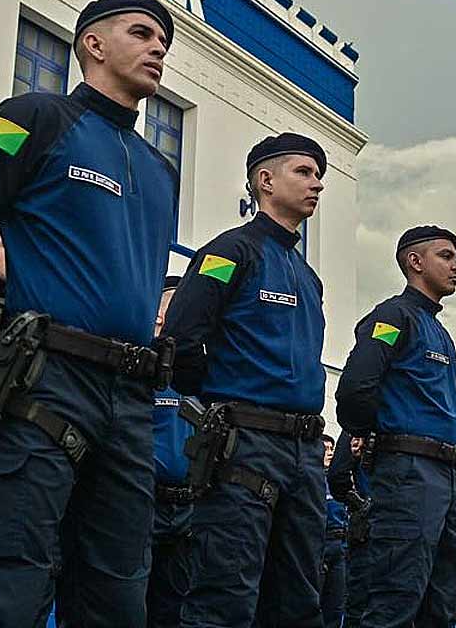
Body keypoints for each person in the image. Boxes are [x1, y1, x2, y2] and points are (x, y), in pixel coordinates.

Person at [0, 0, 177, 625]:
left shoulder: (160, 170)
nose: (158, 48)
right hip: (42, 384)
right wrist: (7, 312)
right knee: (7, 589)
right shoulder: (31, 116)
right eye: (141, 33)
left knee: (119, 597)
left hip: (130, 403)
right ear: (93, 44)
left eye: (163, 41)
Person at [163, 131, 329, 627]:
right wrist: (223, 403)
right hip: (244, 446)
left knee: (300, 600)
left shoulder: (309, 277)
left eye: (319, 174)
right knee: (226, 597)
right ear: (265, 180)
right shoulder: (228, 253)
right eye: (304, 172)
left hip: (303, 453)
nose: (317, 183)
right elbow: (181, 339)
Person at [336, 225, 456, 627]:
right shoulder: (394, 316)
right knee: (396, 597)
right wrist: (374, 437)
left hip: (445, 476)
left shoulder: (439, 331)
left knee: (441, 602)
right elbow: (356, 387)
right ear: (415, 262)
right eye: (446, 255)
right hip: (408, 472)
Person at [147, 276, 195, 628]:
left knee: (175, 608)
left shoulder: (196, 378)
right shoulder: (142, 368)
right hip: (143, 505)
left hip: (188, 512)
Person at [327, 432, 372, 628]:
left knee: (358, 607)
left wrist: (358, 505)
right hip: (409, 529)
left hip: (368, 526)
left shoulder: (360, 426)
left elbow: (337, 475)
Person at [319, 434, 348, 628]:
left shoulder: (339, 482)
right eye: (326, 449)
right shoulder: (313, 480)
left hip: (340, 545)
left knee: (336, 606)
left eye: (332, 449)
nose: (330, 453)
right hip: (320, 543)